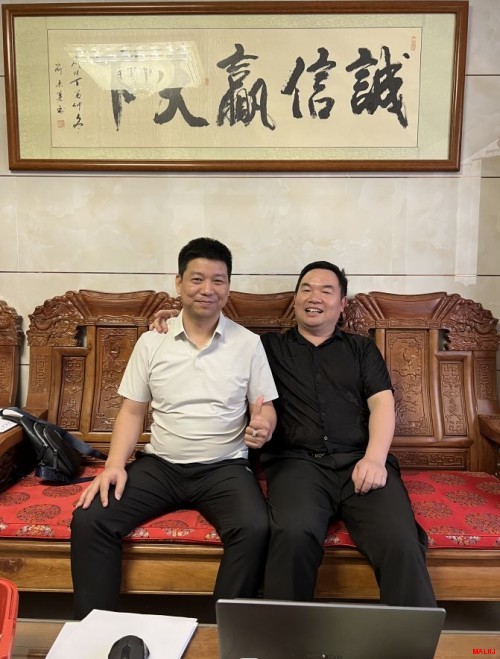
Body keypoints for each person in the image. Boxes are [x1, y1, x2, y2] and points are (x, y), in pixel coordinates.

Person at [152, 260, 436, 607]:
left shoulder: (361, 349)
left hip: (361, 462)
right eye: (306, 289)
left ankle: (409, 636)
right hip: (297, 465)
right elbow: (214, 330)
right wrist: (177, 315)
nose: (314, 297)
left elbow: (382, 404)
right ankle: (283, 635)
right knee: (291, 535)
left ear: (342, 304)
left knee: (400, 541)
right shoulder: (265, 348)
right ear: (296, 299)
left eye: (326, 291)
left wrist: (375, 459)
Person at [71, 237, 277, 619]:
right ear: (179, 282)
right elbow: (132, 411)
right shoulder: (153, 342)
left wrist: (263, 424)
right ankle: (96, 630)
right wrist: (114, 465)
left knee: (255, 527)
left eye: (218, 280)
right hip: (161, 466)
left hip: (225, 468)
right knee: (92, 518)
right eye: (197, 279)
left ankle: (223, 632)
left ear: (228, 286)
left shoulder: (248, 344)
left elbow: (264, 408)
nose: (207, 289)